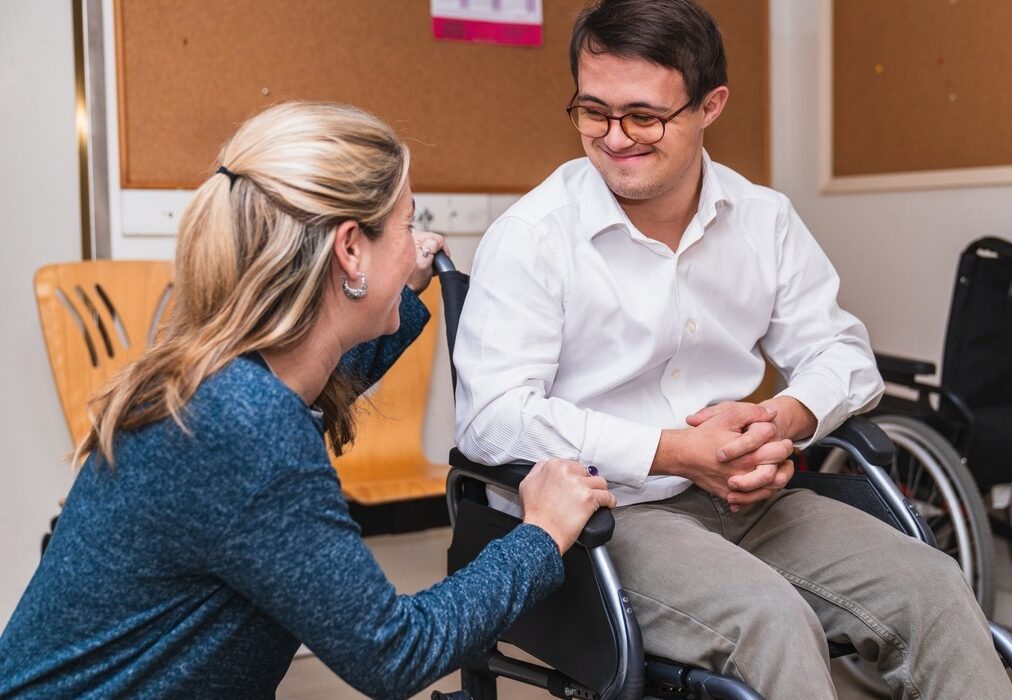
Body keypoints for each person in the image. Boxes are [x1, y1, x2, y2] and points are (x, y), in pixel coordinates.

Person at [453, 1, 1012, 697]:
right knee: (769, 621)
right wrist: (672, 451)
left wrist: (784, 419)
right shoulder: (534, 235)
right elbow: (489, 419)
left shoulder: (763, 219)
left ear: (710, 105)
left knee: (932, 586)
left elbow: (842, 352)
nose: (615, 138)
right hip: (603, 515)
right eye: (593, 111)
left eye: (644, 116)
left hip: (751, 499)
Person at [0, 102, 614, 699]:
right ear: (350, 250)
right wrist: (540, 533)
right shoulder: (247, 424)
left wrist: (399, 285)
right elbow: (394, 652)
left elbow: (330, 368)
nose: (418, 240)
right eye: (407, 223)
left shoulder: (226, 375)